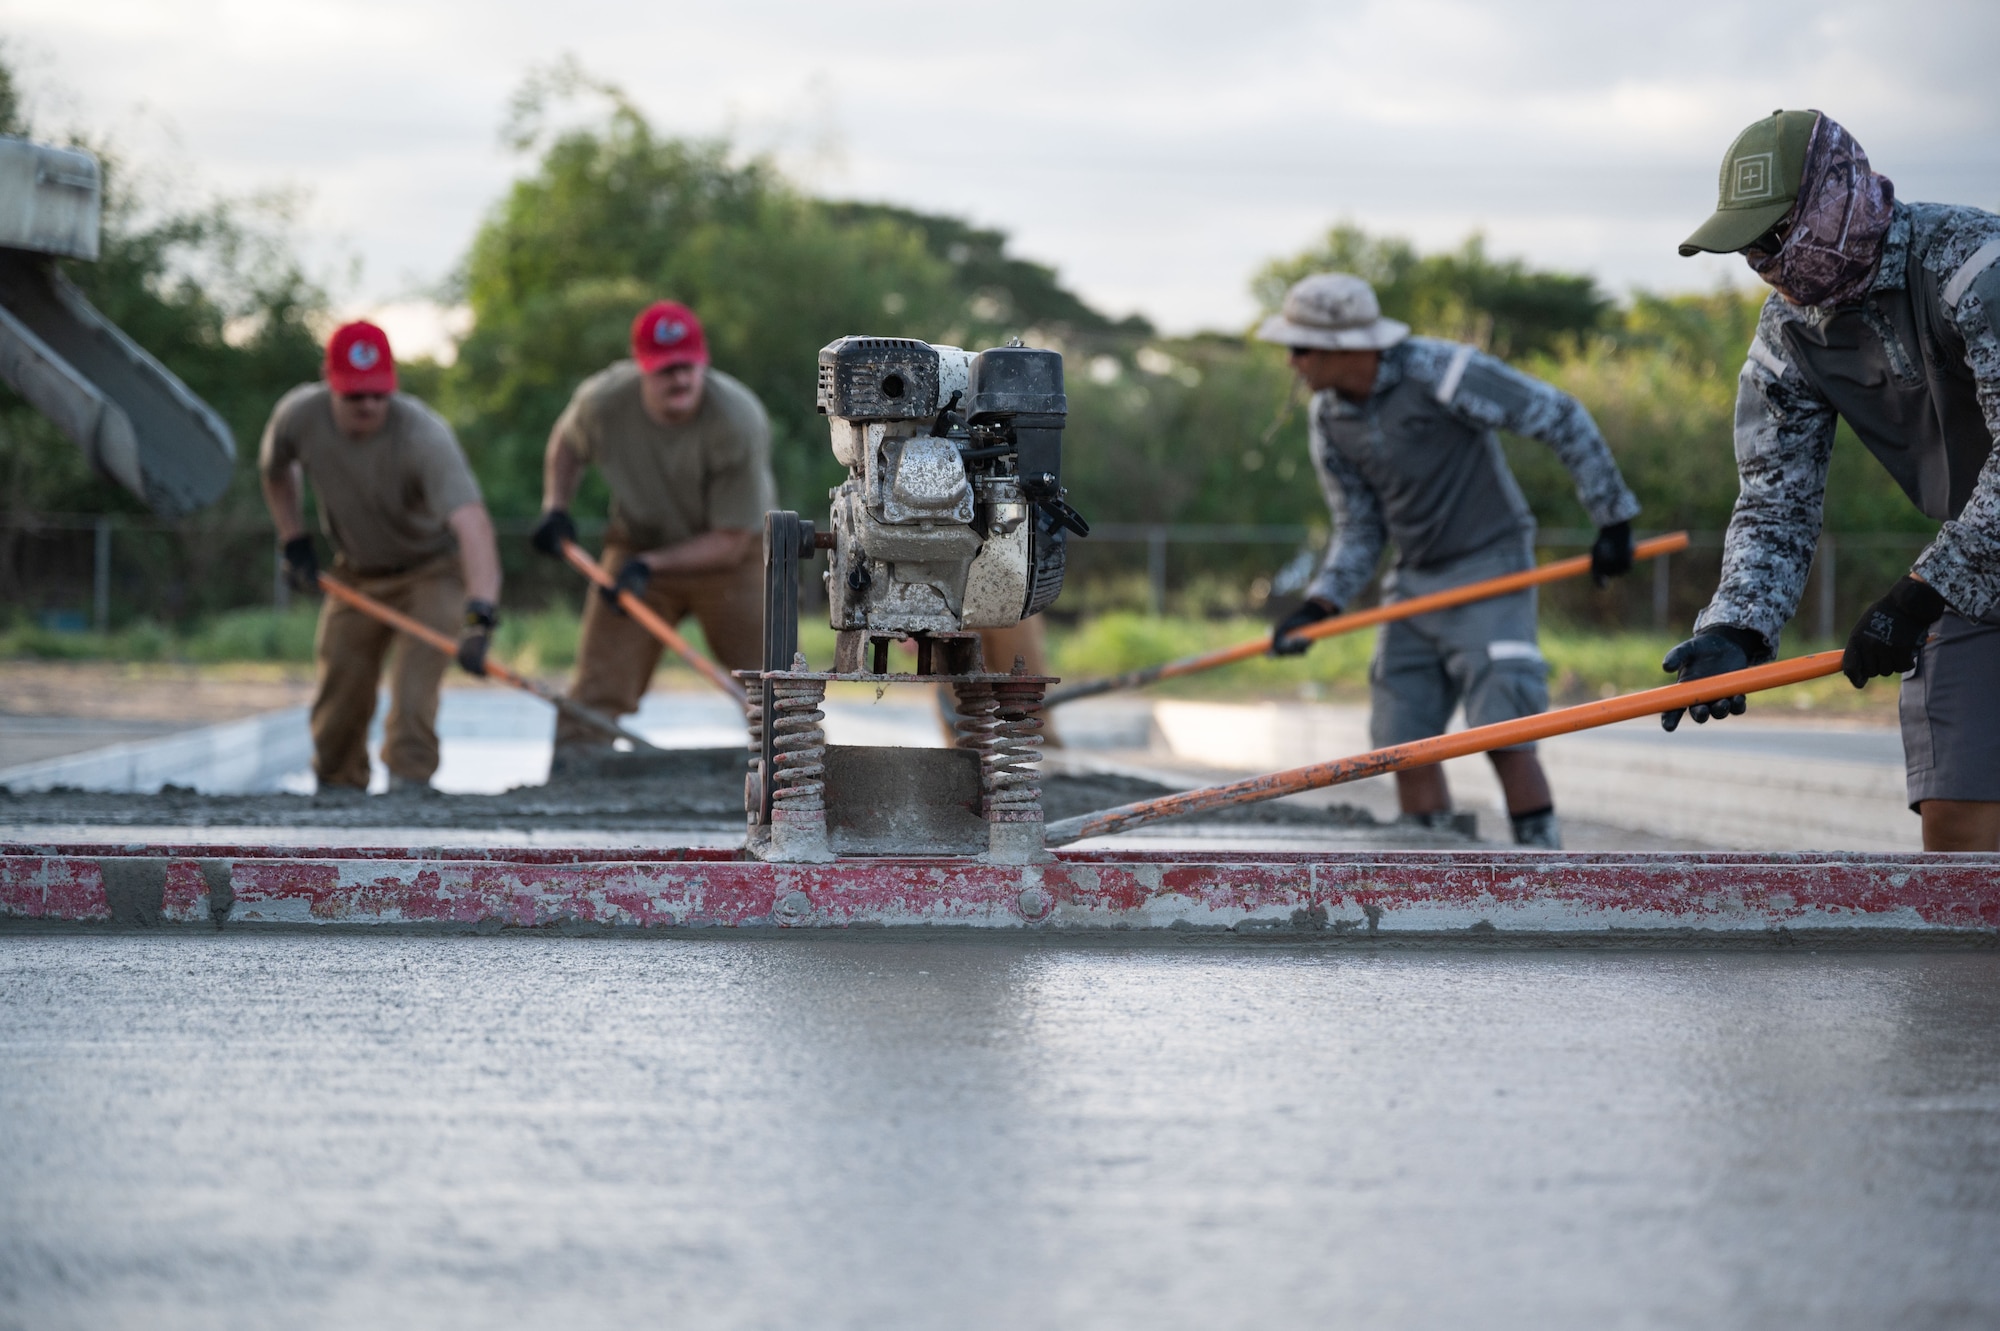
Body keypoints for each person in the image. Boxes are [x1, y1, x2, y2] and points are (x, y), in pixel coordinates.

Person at [1665, 110, 2000, 852]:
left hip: (1964, 568)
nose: (1766, 262)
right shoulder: (1790, 333)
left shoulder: (1975, 267)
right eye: (1751, 247)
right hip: (1983, 576)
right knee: (1958, 797)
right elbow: (1774, 498)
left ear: (1839, 195)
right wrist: (1737, 626)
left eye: (1776, 234)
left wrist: (1920, 592)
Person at [1257, 274, 1641, 847]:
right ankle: (1432, 876)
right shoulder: (1329, 421)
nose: (1292, 362)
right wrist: (1320, 604)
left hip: (1492, 566)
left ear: (1347, 347)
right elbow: (1360, 525)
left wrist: (1613, 519)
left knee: (1504, 730)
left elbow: (1558, 415)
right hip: (1414, 581)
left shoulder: (1441, 373)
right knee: (1400, 741)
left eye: (1301, 348)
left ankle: (1544, 876)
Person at [260, 321, 502, 793]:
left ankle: (409, 794)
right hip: (357, 573)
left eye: (378, 394)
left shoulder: (423, 436)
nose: (369, 405)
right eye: (354, 395)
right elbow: (275, 470)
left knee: (413, 696)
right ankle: (338, 789)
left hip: (432, 571)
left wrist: (481, 616)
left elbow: (472, 524)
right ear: (329, 383)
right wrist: (293, 540)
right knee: (340, 695)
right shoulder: (297, 417)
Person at [532, 301, 775, 771]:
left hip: (731, 555)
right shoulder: (602, 403)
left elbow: (730, 539)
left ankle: (794, 770)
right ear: (642, 368)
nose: (679, 380)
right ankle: (576, 769)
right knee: (600, 678)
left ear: (702, 361)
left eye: (687, 366)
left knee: (774, 678)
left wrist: (650, 567)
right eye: (665, 370)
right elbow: (566, 441)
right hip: (637, 542)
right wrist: (555, 506)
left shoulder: (737, 419)